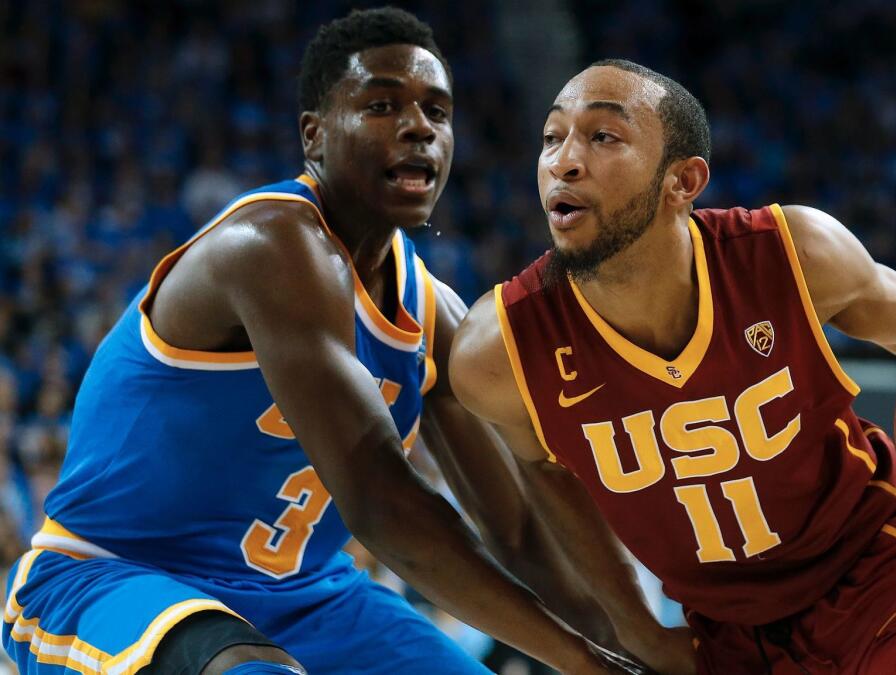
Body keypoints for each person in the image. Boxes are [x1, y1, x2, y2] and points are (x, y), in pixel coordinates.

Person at [449, 59, 896, 675]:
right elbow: (545, 470)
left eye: (604, 137)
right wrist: (637, 628)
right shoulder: (499, 350)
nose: (563, 161)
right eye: (551, 137)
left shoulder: (791, 252)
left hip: (889, 577)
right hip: (727, 636)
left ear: (682, 181)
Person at [2, 10, 621, 675]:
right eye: (383, 104)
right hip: (116, 579)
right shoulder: (269, 243)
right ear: (314, 134)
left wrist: (632, 648)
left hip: (307, 596)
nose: (419, 127)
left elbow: (520, 532)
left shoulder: (437, 313)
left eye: (437, 113)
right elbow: (384, 503)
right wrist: (579, 661)